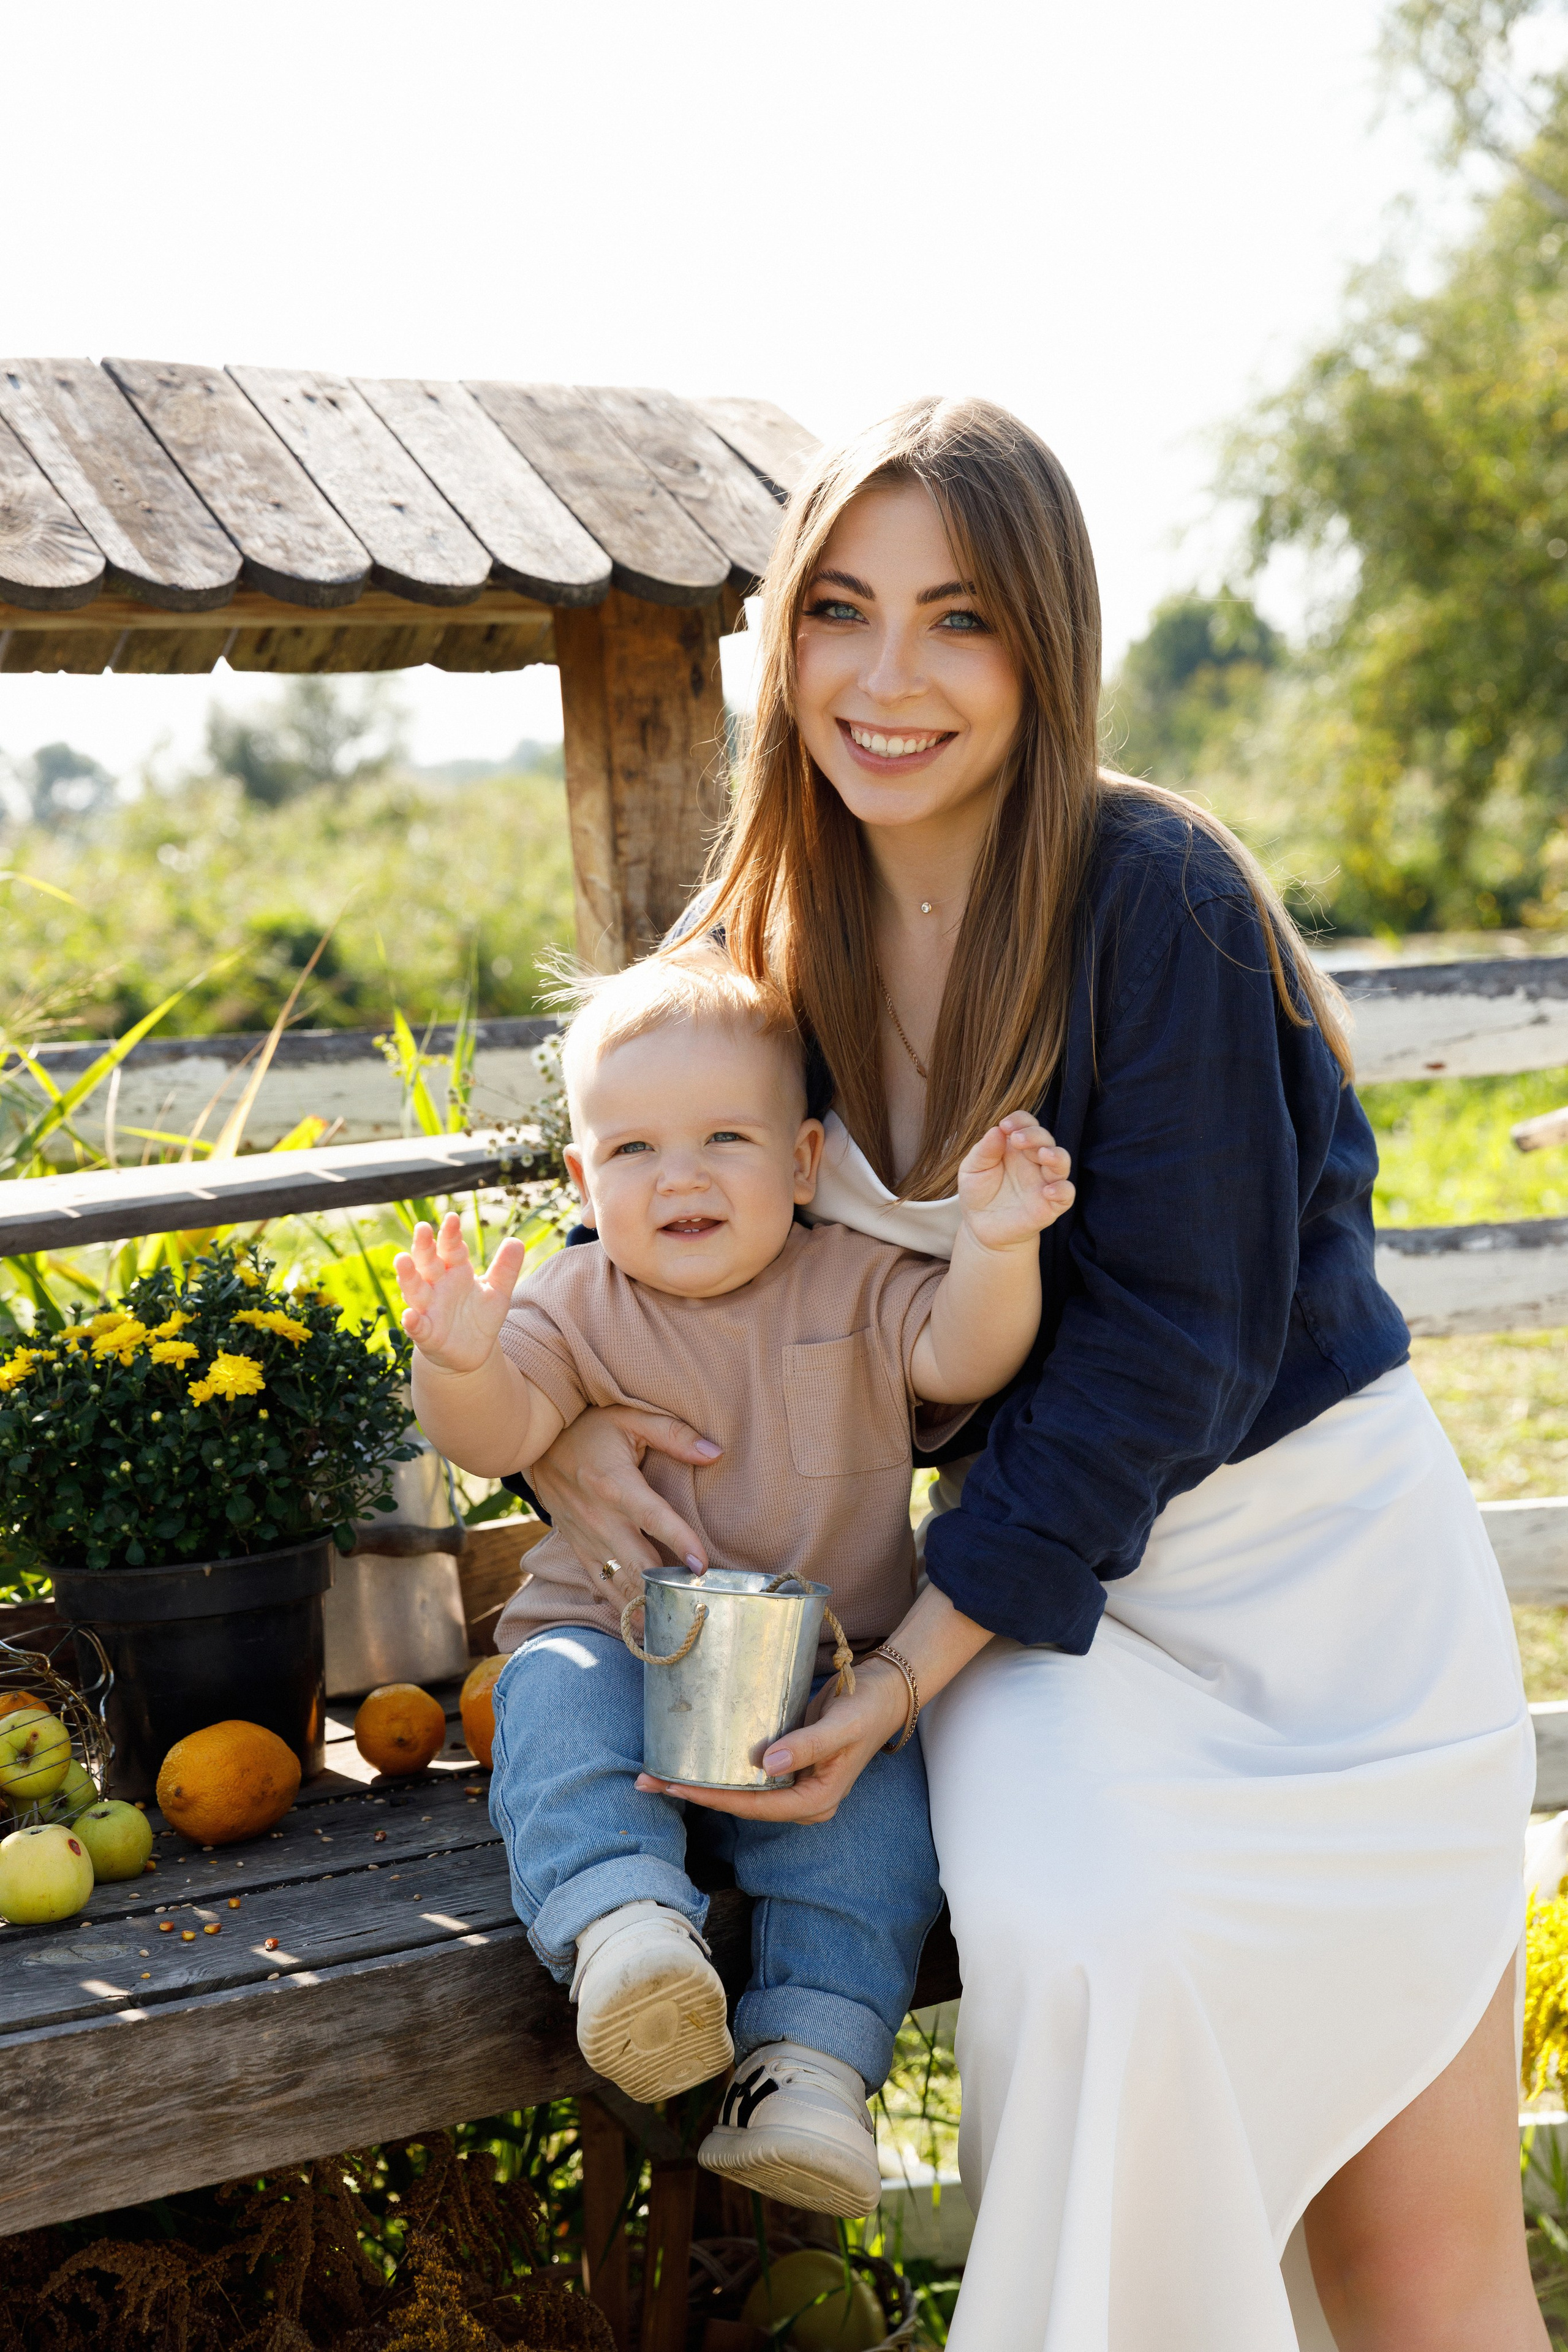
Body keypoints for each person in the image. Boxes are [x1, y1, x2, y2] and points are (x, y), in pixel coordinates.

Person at [514, 397, 1542, 2350]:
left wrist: (903, 1672)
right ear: (783, 641)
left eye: (958, 618)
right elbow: (632, 1210)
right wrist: (566, 1428)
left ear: (1045, 645)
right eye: (841, 610)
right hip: (1056, 1637)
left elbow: (1173, 1352)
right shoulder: (763, 937)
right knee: (1086, 1958)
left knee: (1414, 2277)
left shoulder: (1148, 893)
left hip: (1320, 1604)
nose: (887, 679)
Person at [393, 944, 1072, 2218]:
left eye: (723, 1139)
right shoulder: (574, 1302)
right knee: (548, 1693)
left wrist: (995, 1244)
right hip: (617, 1650)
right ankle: (626, 1936)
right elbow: (489, 1434)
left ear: (804, 1163)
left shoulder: (857, 1283)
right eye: (635, 1152)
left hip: (820, 1688)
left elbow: (967, 1353)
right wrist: (460, 1362)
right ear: (583, 1180)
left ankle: (804, 2069)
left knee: (874, 1835)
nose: (682, 1176)